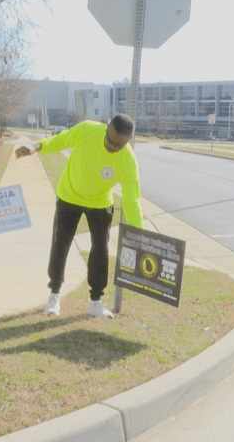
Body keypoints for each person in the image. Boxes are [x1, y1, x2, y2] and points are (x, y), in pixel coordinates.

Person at [15, 114, 143, 319]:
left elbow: (132, 200)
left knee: (101, 250)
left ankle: (95, 301)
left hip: (100, 203)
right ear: (106, 129)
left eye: (119, 145)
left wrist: (139, 234)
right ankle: (54, 295)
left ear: (127, 142)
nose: (112, 146)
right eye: (110, 140)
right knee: (60, 244)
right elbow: (61, 140)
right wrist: (37, 147)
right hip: (69, 196)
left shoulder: (128, 160)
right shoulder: (88, 130)